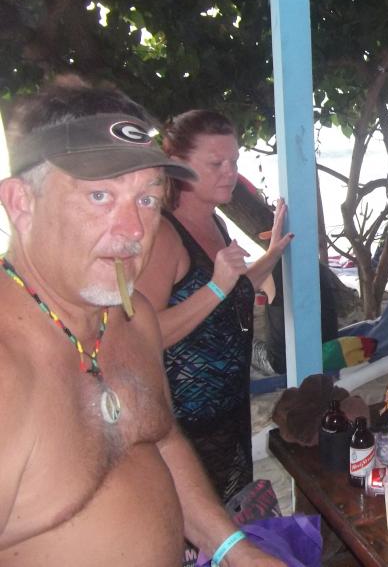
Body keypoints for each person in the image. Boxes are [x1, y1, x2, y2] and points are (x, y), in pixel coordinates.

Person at [0, 79, 282, 565]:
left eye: (148, 199)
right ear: (21, 203)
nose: (133, 230)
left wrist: (235, 550)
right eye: (100, 196)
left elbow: (162, 441)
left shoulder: (132, 321)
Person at [136, 110, 293, 509]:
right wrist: (217, 286)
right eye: (216, 163)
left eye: (234, 161)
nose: (230, 172)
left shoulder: (215, 223)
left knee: (232, 519)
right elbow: (141, 335)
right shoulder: (165, 235)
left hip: (230, 411)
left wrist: (272, 255)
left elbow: (231, 295)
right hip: (187, 425)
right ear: (178, 165)